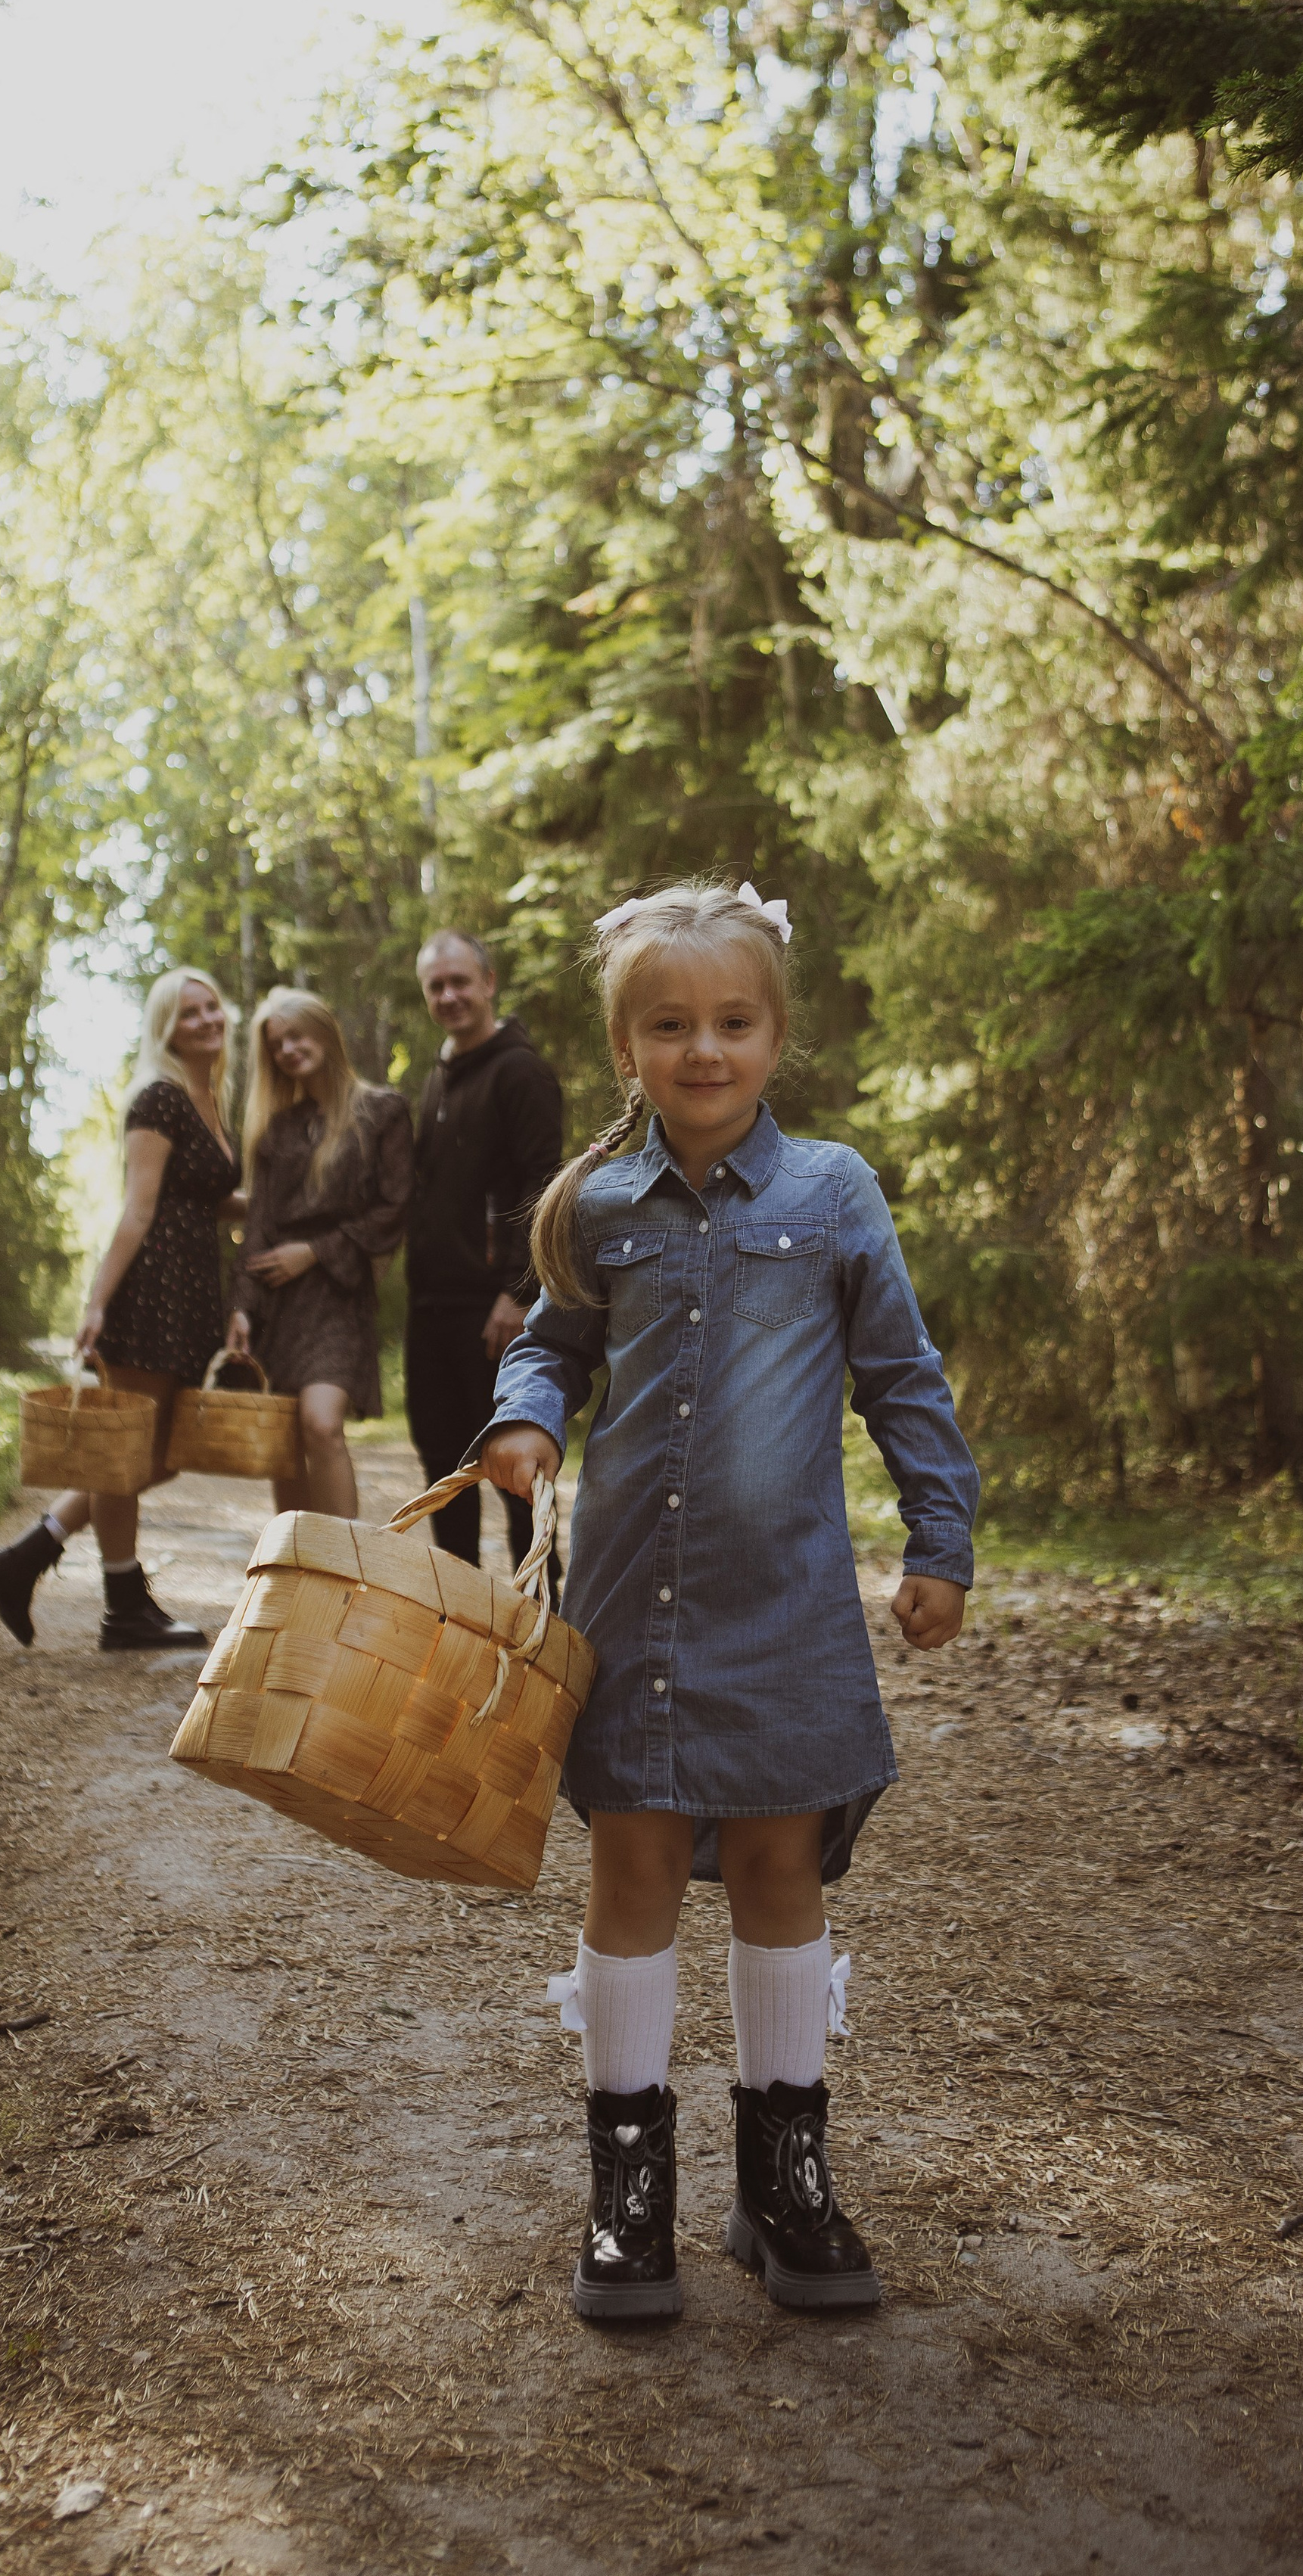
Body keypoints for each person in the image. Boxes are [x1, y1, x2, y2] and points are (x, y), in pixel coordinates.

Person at [477, 879, 978, 2326]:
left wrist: (938, 1542)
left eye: (734, 1023)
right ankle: (629, 2203)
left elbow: (903, 1378)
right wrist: (521, 1421)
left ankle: (786, 2184)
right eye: (671, 1026)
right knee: (630, 1871)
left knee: (780, 1870)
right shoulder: (597, 1206)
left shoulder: (832, 1192)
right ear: (626, 1048)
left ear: (775, 1034)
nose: (706, 1050)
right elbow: (549, 1354)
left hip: (792, 1607)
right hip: (632, 1607)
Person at [0, 969, 240, 1654]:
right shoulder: (159, 1098)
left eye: (212, 1006)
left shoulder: (211, 1096)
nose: (207, 1019)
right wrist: (96, 1302)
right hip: (151, 1295)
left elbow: (207, 1197)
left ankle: (25, 1557)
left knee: (160, 1455)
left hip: (189, 1298)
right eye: (189, 1013)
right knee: (126, 1458)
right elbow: (139, 1207)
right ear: (166, 1029)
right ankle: (122, 1607)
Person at [406, 928, 564, 1575]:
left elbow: (543, 1186)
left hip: (493, 1307)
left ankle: (542, 1621)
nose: (449, 996)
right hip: (432, 1307)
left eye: (460, 981)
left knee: (514, 1467)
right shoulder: (439, 1081)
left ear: (489, 982)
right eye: (436, 987)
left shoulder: (520, 1072)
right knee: (445, 1465)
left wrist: (519, 1292)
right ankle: (459, 1618)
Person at [226, 987, 414, 1520]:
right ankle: (294, 1570)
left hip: (337, 1294)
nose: (288, 1049)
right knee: (285, 1447)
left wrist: (314, 1251)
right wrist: (240, 1307)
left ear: (326, 1032)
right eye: (277, 1044)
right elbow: (259, 1225)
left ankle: (343, 1568)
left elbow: (394, 1208)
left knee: (322, 1424)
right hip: (275, 1303)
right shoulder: (276, 1130)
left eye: (297, 1035)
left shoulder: (384, 1111)